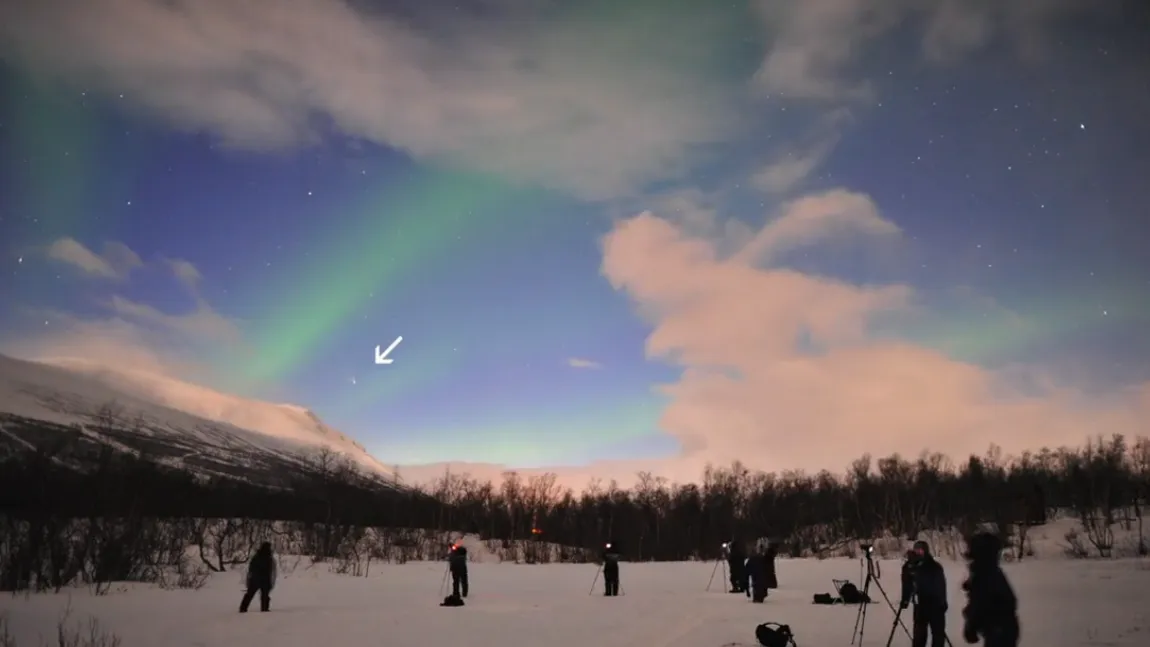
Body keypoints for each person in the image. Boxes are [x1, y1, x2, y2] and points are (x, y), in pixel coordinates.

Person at [962, 533, 1020, 647]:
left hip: (999, 631)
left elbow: (980, 604)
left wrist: (971, 625)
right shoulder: (989, 572)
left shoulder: (985, 574)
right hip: (1001, 629)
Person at [900, 540, 948, 647]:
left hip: (935, 605)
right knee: (919, 635)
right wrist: (905, 599)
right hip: (920, 605)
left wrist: (942, 602)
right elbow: (907, 584)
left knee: (938, 634)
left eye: (921, 551)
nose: (918, 553)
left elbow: (941, 585)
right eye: (916, 551)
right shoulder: (910, 567)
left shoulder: (934, 566)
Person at [239, 542, 277, 613]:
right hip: (265, 579)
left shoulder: (256, 556)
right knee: (265, 595)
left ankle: (243, 608)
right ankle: (264, 608)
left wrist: (249, 578)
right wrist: (272, 581)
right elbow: (273, 570)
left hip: (255, 579)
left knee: (250, 594)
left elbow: (250, 568)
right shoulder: (269, 558)